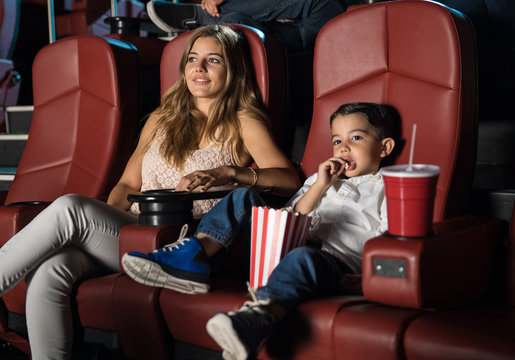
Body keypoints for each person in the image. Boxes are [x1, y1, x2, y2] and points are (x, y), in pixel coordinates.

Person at [0, 24, 300, 360]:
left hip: (186, 240)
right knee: (51, 268)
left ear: (232, 70)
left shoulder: (244, 120)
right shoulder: (162, 118)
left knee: (71, 207)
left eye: (212, 60)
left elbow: (289, 179)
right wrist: (109, 228)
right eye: (193, 59)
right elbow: (127, 186)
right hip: (136, 233)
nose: (198, 69)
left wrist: (229, 172)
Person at [122, 101, 398, 359]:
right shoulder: (319, 179)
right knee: (242, 196)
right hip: (287, 244)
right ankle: (194, 258)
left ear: (384, 147)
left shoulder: (390, 187)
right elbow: (288, 219)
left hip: (334, 265)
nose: (343, 148)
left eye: (356, 138)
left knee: (303, 257)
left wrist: (363, 278)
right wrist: (320, 187)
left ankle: (257, 318)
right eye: (337, 141)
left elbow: (390, 240)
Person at [146, 0, 345, 52]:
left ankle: (202, 15)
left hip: (329, 19)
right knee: (234, 21)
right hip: (293, 36)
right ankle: (209, 17)